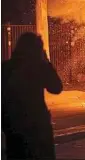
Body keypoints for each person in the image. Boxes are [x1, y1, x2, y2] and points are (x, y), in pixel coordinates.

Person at [2, 32, 63, 160]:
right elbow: (56, 88)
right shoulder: (38, 67)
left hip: (14, 132)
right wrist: (46, 62)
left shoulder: (5, 68)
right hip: (38, 132)